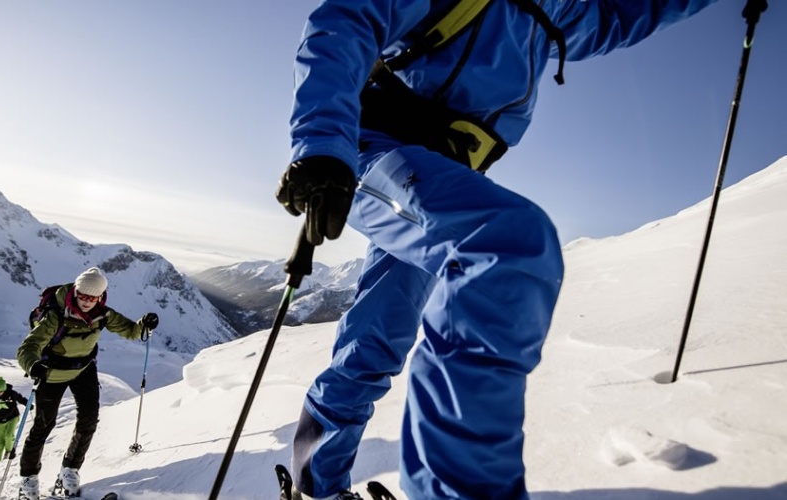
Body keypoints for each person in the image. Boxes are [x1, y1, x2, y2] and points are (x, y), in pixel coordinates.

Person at [274, 1, 721, 498]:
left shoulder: (553, 12)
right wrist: (321, 146)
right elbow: (347, 18)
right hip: (365, 154)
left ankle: (316, 486)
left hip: (438, 180)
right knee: (506, 243)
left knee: (377, 339)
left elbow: (631, 12)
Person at [15, 267, 160, 500]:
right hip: (51, 373)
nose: (86, 301)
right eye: (82, 295)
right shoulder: (56, 315)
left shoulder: (103, 314)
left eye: (92, 297)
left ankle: (69, 471)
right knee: (43, 426)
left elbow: (131, 331)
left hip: (83, 370)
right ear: (76, 290)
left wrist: (145, 323)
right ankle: (28, 479)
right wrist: (33, 365)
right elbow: (28, 347)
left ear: (100, 297)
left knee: (89, 419)